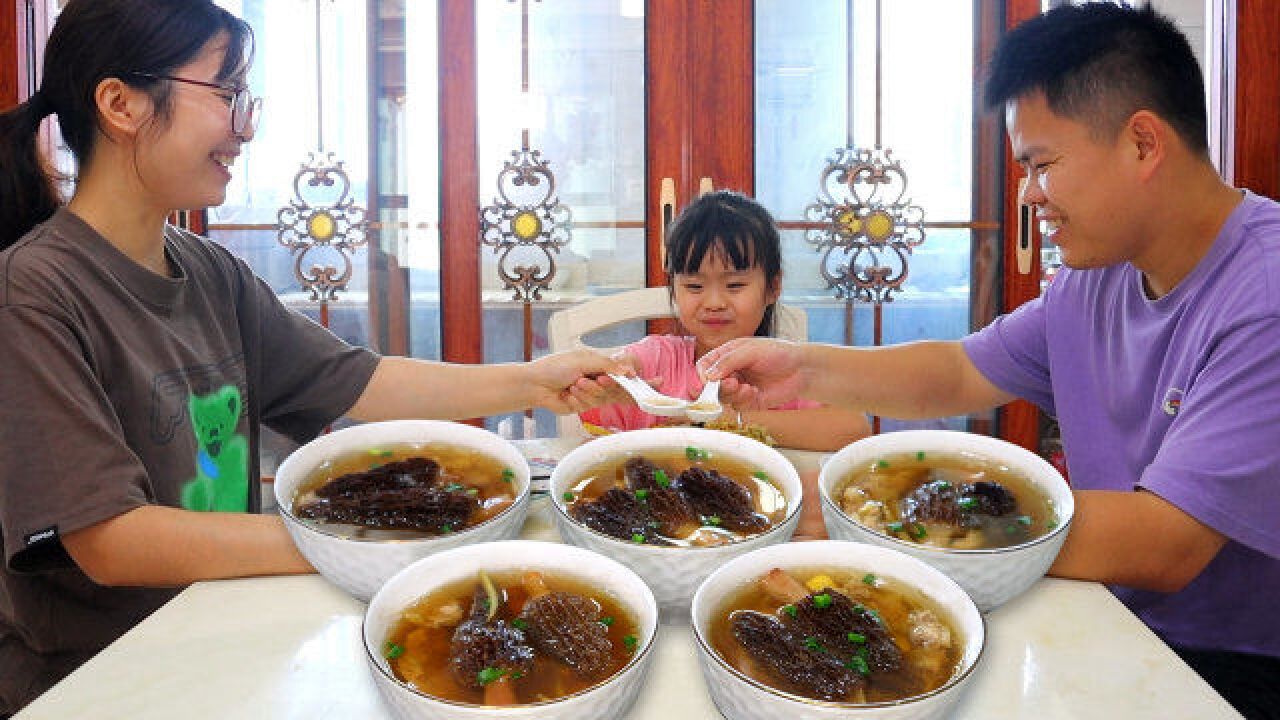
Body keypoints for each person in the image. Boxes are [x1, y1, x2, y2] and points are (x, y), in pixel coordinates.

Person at [0, 1, 621, 713]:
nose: (244, 129)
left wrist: (535, 381)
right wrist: (355, 544)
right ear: (121, 103)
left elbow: (356, 379)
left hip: (219, 636)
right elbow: (111, 539)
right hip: (97, 683)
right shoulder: (33, 297)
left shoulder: (210, 273)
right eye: (226, 95)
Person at [698, 5, 1280, 718]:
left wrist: (882, 520)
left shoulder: (1265, 296)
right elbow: (961, 370)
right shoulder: (1098, 276)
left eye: (1042, 165)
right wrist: (803, 367)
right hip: (1104, 611)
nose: (1029, 193)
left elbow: (1164, 543)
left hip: (1233, 669)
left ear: (1142, 143)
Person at [580, 190, 871, 452]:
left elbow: (853, 428)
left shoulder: (782, 370)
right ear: (674, 288)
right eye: (694, 287)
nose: (714, 303)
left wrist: (734, 422)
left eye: (734, 286)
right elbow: (593, 410)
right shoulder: (655, 359)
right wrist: (610, 380)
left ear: (772, 288)